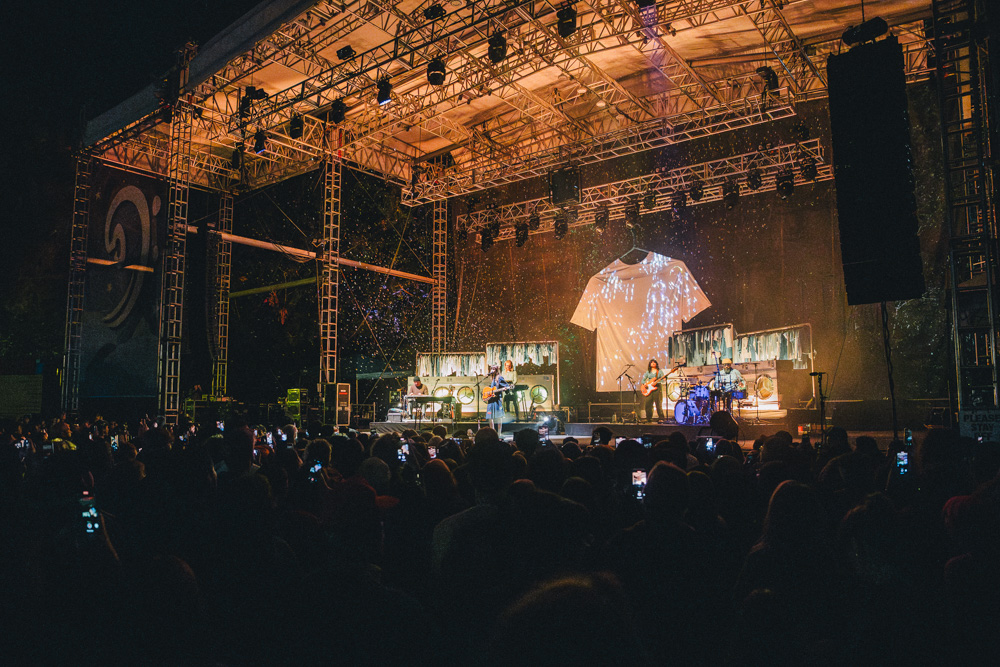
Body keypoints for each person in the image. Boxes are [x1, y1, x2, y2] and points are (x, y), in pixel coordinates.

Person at [485, 365, 511, 436]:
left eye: (494, 369)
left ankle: (499, 433)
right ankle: (492, 432)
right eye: (491, 369)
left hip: (497, 400)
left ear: (496, 370)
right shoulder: (492, 378)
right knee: (490, 417)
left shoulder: (499, 378)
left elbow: (506, 386)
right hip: (491, 399)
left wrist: (505, 388)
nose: (492, 370)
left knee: (499, 416)